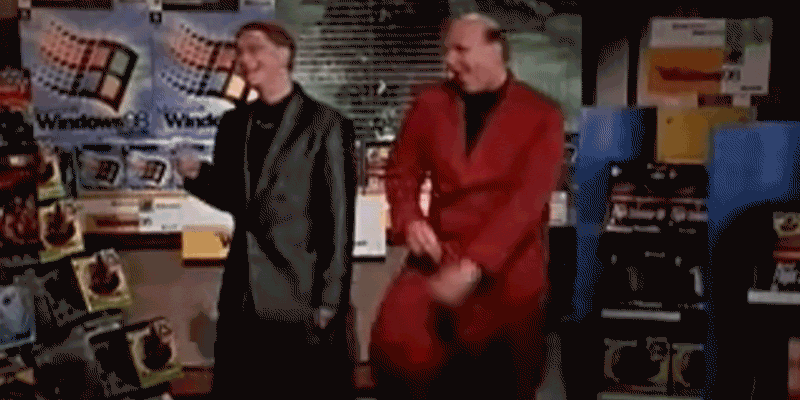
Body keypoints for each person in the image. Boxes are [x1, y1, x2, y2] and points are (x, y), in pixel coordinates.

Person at [369, 12, 565, 400]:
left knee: (503, 383)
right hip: (438, 255)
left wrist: (475, 265)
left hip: (508, 267)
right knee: (397, 353)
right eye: (447, 52)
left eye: (461, 50)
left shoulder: (542, 115)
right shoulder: (430, 103)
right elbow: (402, 172)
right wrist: (410, 220)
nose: (450, 62)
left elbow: (527, 202)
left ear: (496, 50)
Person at [176, 21, 357, 399]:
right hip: (242, 297)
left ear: (284, 54)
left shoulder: (327, 125)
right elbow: (237, 200)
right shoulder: (233, 124)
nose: (244, 60)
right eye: (239, 52)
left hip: (301, 297)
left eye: (254, 49)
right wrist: (198, 176)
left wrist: (330, 300)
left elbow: (338, 220)